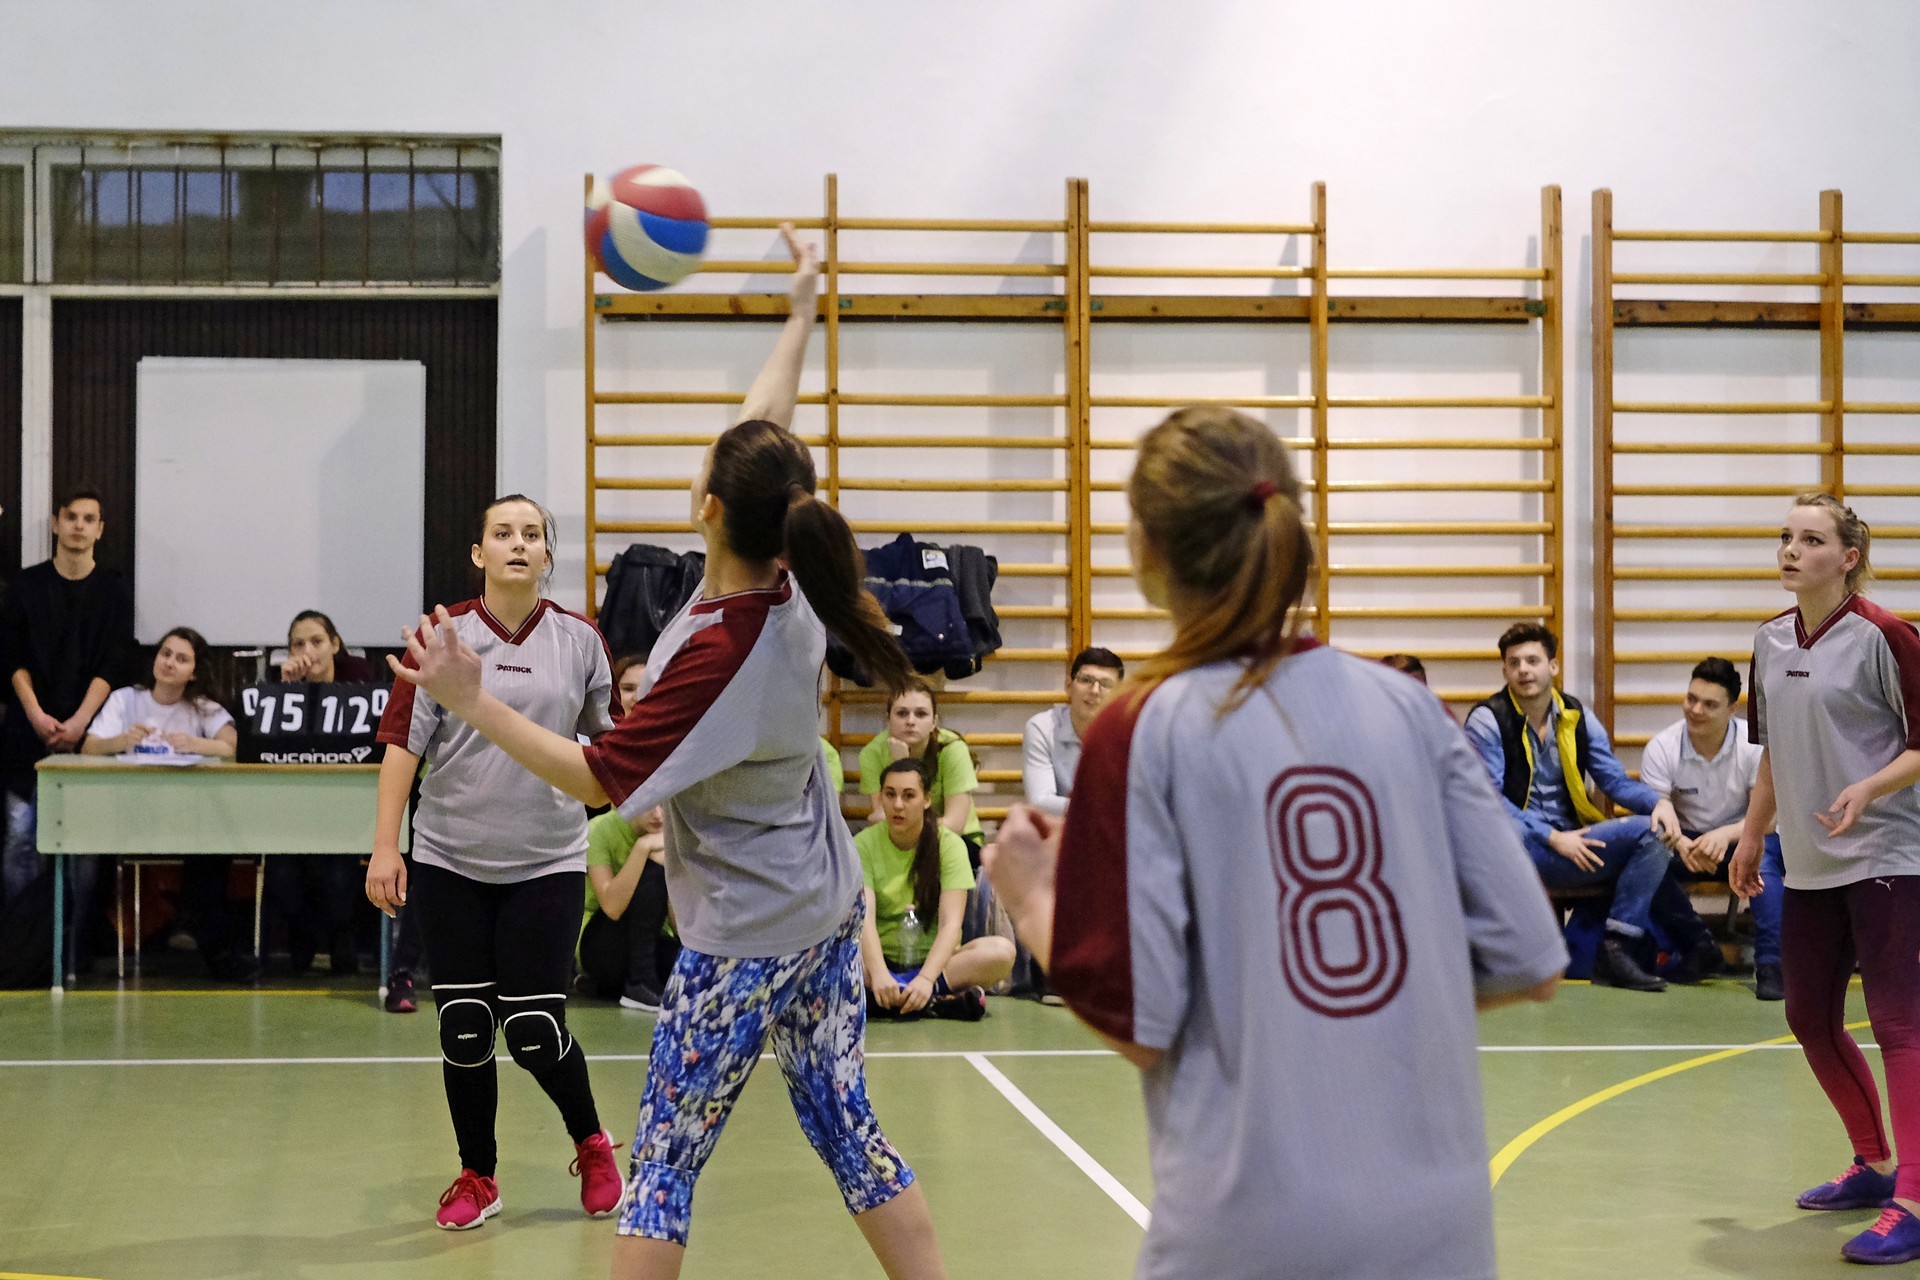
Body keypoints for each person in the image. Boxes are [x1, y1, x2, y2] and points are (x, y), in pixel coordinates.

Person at [385, 226, 948, 1280]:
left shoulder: (719, 655)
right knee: (851, 1133)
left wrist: (469, 697)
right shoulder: (787, 581)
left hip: (744, 938)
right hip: (825, 911)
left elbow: (595, 776)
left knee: (662, 1170)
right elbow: (763, 425)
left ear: (711, 509)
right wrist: (800, 308)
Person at [983, 405, 1565, 1280]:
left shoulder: (1141, 726)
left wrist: (1033, 902)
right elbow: (1530, 954)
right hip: (1441, 1231)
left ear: (1144, 547)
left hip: (1249, 1227)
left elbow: (1141, 1024)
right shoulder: (1410, 708)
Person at [366, 493, 625, 1231]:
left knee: (535, 1029)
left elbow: (609, 747)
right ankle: (477, 1175)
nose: (518, 543)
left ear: (546, 554)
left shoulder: (581, 641)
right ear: (478, 553)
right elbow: (403, 746)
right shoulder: (440, 636)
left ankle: (592, 1143)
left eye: (532, 534)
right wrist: (385, 845)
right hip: (449, 858)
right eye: (503, 533)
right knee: (465, 1027)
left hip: (547, 860)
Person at [1731, 492, 1920, 1264]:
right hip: (1808, 860)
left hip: (1887, 854)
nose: (1790, 550)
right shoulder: (1769, 640)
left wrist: (1868, 788)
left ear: (1848, 558)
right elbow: (1773, 752)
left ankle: (1914, 1200)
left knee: (1898, 1023)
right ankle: (1873, 1165)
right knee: (1809, 1015)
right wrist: (1752, 835)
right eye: (1786, 536)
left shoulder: (1887, 636)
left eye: (1811, 540)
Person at [1463, 622, 1716, 993]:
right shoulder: (1488, 719)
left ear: (1553, 666)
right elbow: (1488, 800)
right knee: (1647, 838)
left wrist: (1659, 803)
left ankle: (1618, 948)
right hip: (1518, 850)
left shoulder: (1576, 715)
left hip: (1574, 843)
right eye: (1514, 663)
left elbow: (1614, 781)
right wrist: (1553, 837)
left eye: (1532, 660)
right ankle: (1688, 944)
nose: (1523, 670)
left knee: (1655, 831)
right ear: (1504, 672)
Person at [0, 486, 132, 972]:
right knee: (20, 843)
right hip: (26, 736)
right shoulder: (27, 586)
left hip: (89, 740)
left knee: (84, 854)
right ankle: (23, 953)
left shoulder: (114, 591)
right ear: (56, 523)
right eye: (71, 516)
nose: (79, 525)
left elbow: (114, 662)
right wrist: (36, 714)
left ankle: (72, 954)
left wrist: (79, 723)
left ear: (100, 530)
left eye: (89, 518)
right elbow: (11, 658)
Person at [1639, 657, 1783, 1001]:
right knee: (1644, 858)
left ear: (1732, 709)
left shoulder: (1753, 746)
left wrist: (1726, 836)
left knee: (1764, 859)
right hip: (1685, 842)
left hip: (1742, 837)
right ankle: (1699, 947)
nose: (1696, 710)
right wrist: (1681, 843)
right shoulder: (1663, 746)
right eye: (1691, 699)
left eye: (1709, 704)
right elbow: (1656, 815)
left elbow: (1769, 819)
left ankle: (1771, 964)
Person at [858, 759, 1014, 1021]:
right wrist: (879, 972)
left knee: (1001, 952)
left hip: (937, 966)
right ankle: (933, 1003)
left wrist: (926, 978)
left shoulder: (950, 845)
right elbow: (865, 918)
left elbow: (950, 924)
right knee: (825, 959)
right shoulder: (862, 844)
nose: (898, 805)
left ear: (927, 800)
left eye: (909, 795)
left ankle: (896, 999)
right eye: (890, 794)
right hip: (878, 963)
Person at [266, 609, 376, 979]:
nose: (307, 651)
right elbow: (266, 747)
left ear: (335, 644)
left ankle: (342, 935)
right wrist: (288, 692)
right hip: (291, 806)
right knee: (282, 873)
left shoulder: (358, 681)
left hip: (344, 804)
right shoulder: (279, 686)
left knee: (339, 873)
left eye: (316, 641)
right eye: (298, 644)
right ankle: (302, 932)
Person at [860, 679, 983, 863]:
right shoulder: (872, 753)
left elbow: (955, 825)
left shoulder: (953, 749)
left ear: (934, 722)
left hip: (953, 839)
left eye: (921, 714)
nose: (910, 721)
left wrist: (904, 764)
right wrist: (901, 765)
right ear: (888, 720)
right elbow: (881, 818)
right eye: (902, 713)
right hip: (898, 840)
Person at [81, 626, 236, 760]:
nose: (169, 663)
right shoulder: (123, 698)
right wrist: (123, 741)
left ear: (194, 673)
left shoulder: (202, 706)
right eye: (166, 654)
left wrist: (194, 744)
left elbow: (233, 747)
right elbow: (88, 748)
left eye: (181, 659)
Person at [577, 803, 675, 1011]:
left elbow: (680, 925)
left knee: (681, 967)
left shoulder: (676, 831)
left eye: (664, 804)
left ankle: (604, 987)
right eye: (648, 804)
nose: (657, 814)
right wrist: (643, 847)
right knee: (656, 861)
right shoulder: (600, 829)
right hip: (599, 940)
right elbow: (612, 908)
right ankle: (639, 981)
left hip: (652, 938)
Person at [1020, 647, 1123, 818]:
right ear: (1068, 685)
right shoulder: (1042, 728)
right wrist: (1103, 809)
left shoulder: (1130, 733)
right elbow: (1039, 802)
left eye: (1105, 684)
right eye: (1086, 680)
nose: (1095, 690)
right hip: (1059, 829)